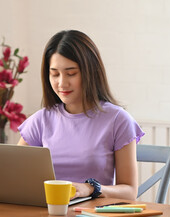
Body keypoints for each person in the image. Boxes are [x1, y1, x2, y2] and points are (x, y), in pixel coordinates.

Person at [17, 30, 144, 200]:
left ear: (90, 72)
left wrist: (91, 188)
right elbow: (14, 174)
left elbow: (129, 192)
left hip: (93, 216)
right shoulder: (40, 120)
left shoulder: (118, 120)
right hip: (48, 214)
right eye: (54, 74)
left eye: (71, 73)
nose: (62, 83)